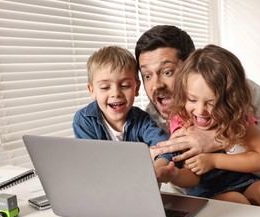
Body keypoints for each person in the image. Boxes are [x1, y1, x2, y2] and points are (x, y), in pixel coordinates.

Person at [135, 25, 260, 186]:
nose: (156, 86)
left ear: (191, 66)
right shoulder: (149, 120)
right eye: (147, 75)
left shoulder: (242, 92)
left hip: (253, 196)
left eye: (167, 72)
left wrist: (220, 139)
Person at [164, 44, 260, 210]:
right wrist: (175, 175)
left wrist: (214, 160)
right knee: (235, 201)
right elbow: (191, 178)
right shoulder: (182, 121)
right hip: (207, 191)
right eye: (192, 99)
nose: (200, 110)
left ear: (230, 101)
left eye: (211, 103)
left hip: (243, 181)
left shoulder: (237, 116)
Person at [72, 46, 189, 182]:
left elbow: (167, 148)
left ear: (136, 88)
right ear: (91, 90)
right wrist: (143, 157)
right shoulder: (84, 120)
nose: (116, 93)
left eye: (125, 85)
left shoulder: (143, 120)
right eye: (105, 87)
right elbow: (93, 164)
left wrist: (156, 169)